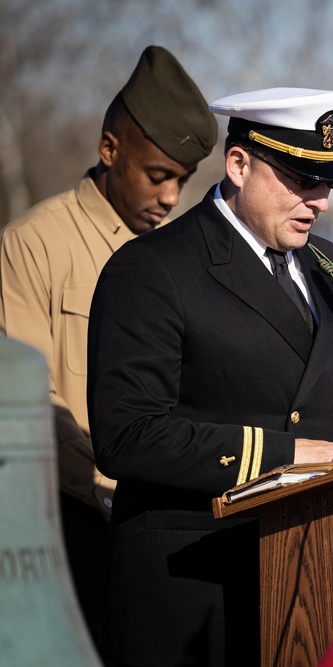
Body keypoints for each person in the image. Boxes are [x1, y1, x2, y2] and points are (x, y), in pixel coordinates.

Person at [87, 87, 333, 666]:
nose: (317, 202)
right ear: (239, 164)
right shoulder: (152, 270)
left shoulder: (331, 269)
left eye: (326, 184)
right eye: (299, 179)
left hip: (310, 579)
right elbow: (127, 434)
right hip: (194, 583)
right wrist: (289, 454)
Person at [0, 45, 217, 649]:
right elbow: (27, 403)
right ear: (108, 150)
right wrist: (105, 483)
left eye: (183, 180)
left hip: (165, 531)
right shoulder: (32, 246)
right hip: (72, 534)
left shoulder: (177, 262)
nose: (172, 197)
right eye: (158, 175)